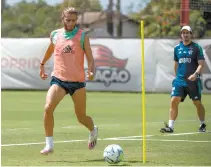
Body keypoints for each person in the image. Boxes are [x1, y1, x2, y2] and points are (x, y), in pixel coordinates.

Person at [39, 7, 98, 155]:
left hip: (77, 83)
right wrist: (42, 64)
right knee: (48, 108)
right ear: (62, 18)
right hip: (59, 80)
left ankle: (93, 130)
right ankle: (49, 145)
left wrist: (91, 71)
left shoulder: (82, 36)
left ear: (76, 20)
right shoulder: (55, 34)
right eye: (68, 20)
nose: (71, 23)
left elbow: (90, 58)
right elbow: (50, 50)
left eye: (73, 20)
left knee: (81, 117)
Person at [160, 25, 206, 133]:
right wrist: (177, 77)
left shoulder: (196, 47)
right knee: (173, 100)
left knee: (197, 103)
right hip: (180, 80)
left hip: (193, 81)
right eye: (183, 33)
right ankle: (170, 127)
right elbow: (176, 64)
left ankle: (202, 123)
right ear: (181, 35)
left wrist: (195, 74)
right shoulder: (177, 48)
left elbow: (201, 64)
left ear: (191, 34)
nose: (185, 35)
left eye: (187, 33)